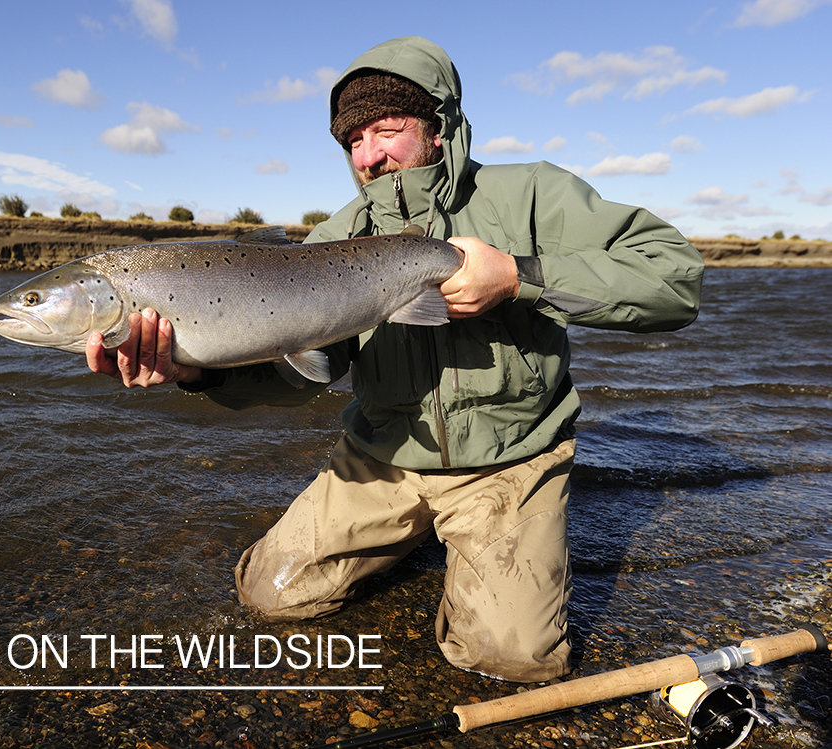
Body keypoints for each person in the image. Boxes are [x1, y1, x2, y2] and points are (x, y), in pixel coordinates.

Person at [86, 36, 704, 683]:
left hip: (508, 458)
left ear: (438, 128)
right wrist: (196, 372)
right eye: (353, 141)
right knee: (268, 592)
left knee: (510, 658)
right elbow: (303, 374)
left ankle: (486, 543)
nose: (368, 154)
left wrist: (518, 275)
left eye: (387, 128)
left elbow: (673, 278)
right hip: (380, 455)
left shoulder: (528, 194)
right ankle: (416, 538)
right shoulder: (334, 239)